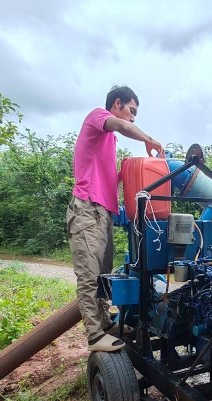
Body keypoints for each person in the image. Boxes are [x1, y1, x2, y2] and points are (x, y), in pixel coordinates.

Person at [69, 85, 162, 352]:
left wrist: (130, 173)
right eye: (131, 110)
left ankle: (106, 322)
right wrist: (149, 139)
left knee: (103, 276)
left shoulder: (108, 141)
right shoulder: (97, 117)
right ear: (117, 103)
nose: (133, 117)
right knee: (89, 275)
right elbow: (123, 126)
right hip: (87, 209)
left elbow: (109, 179)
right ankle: (95, 336)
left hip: (105, 214)